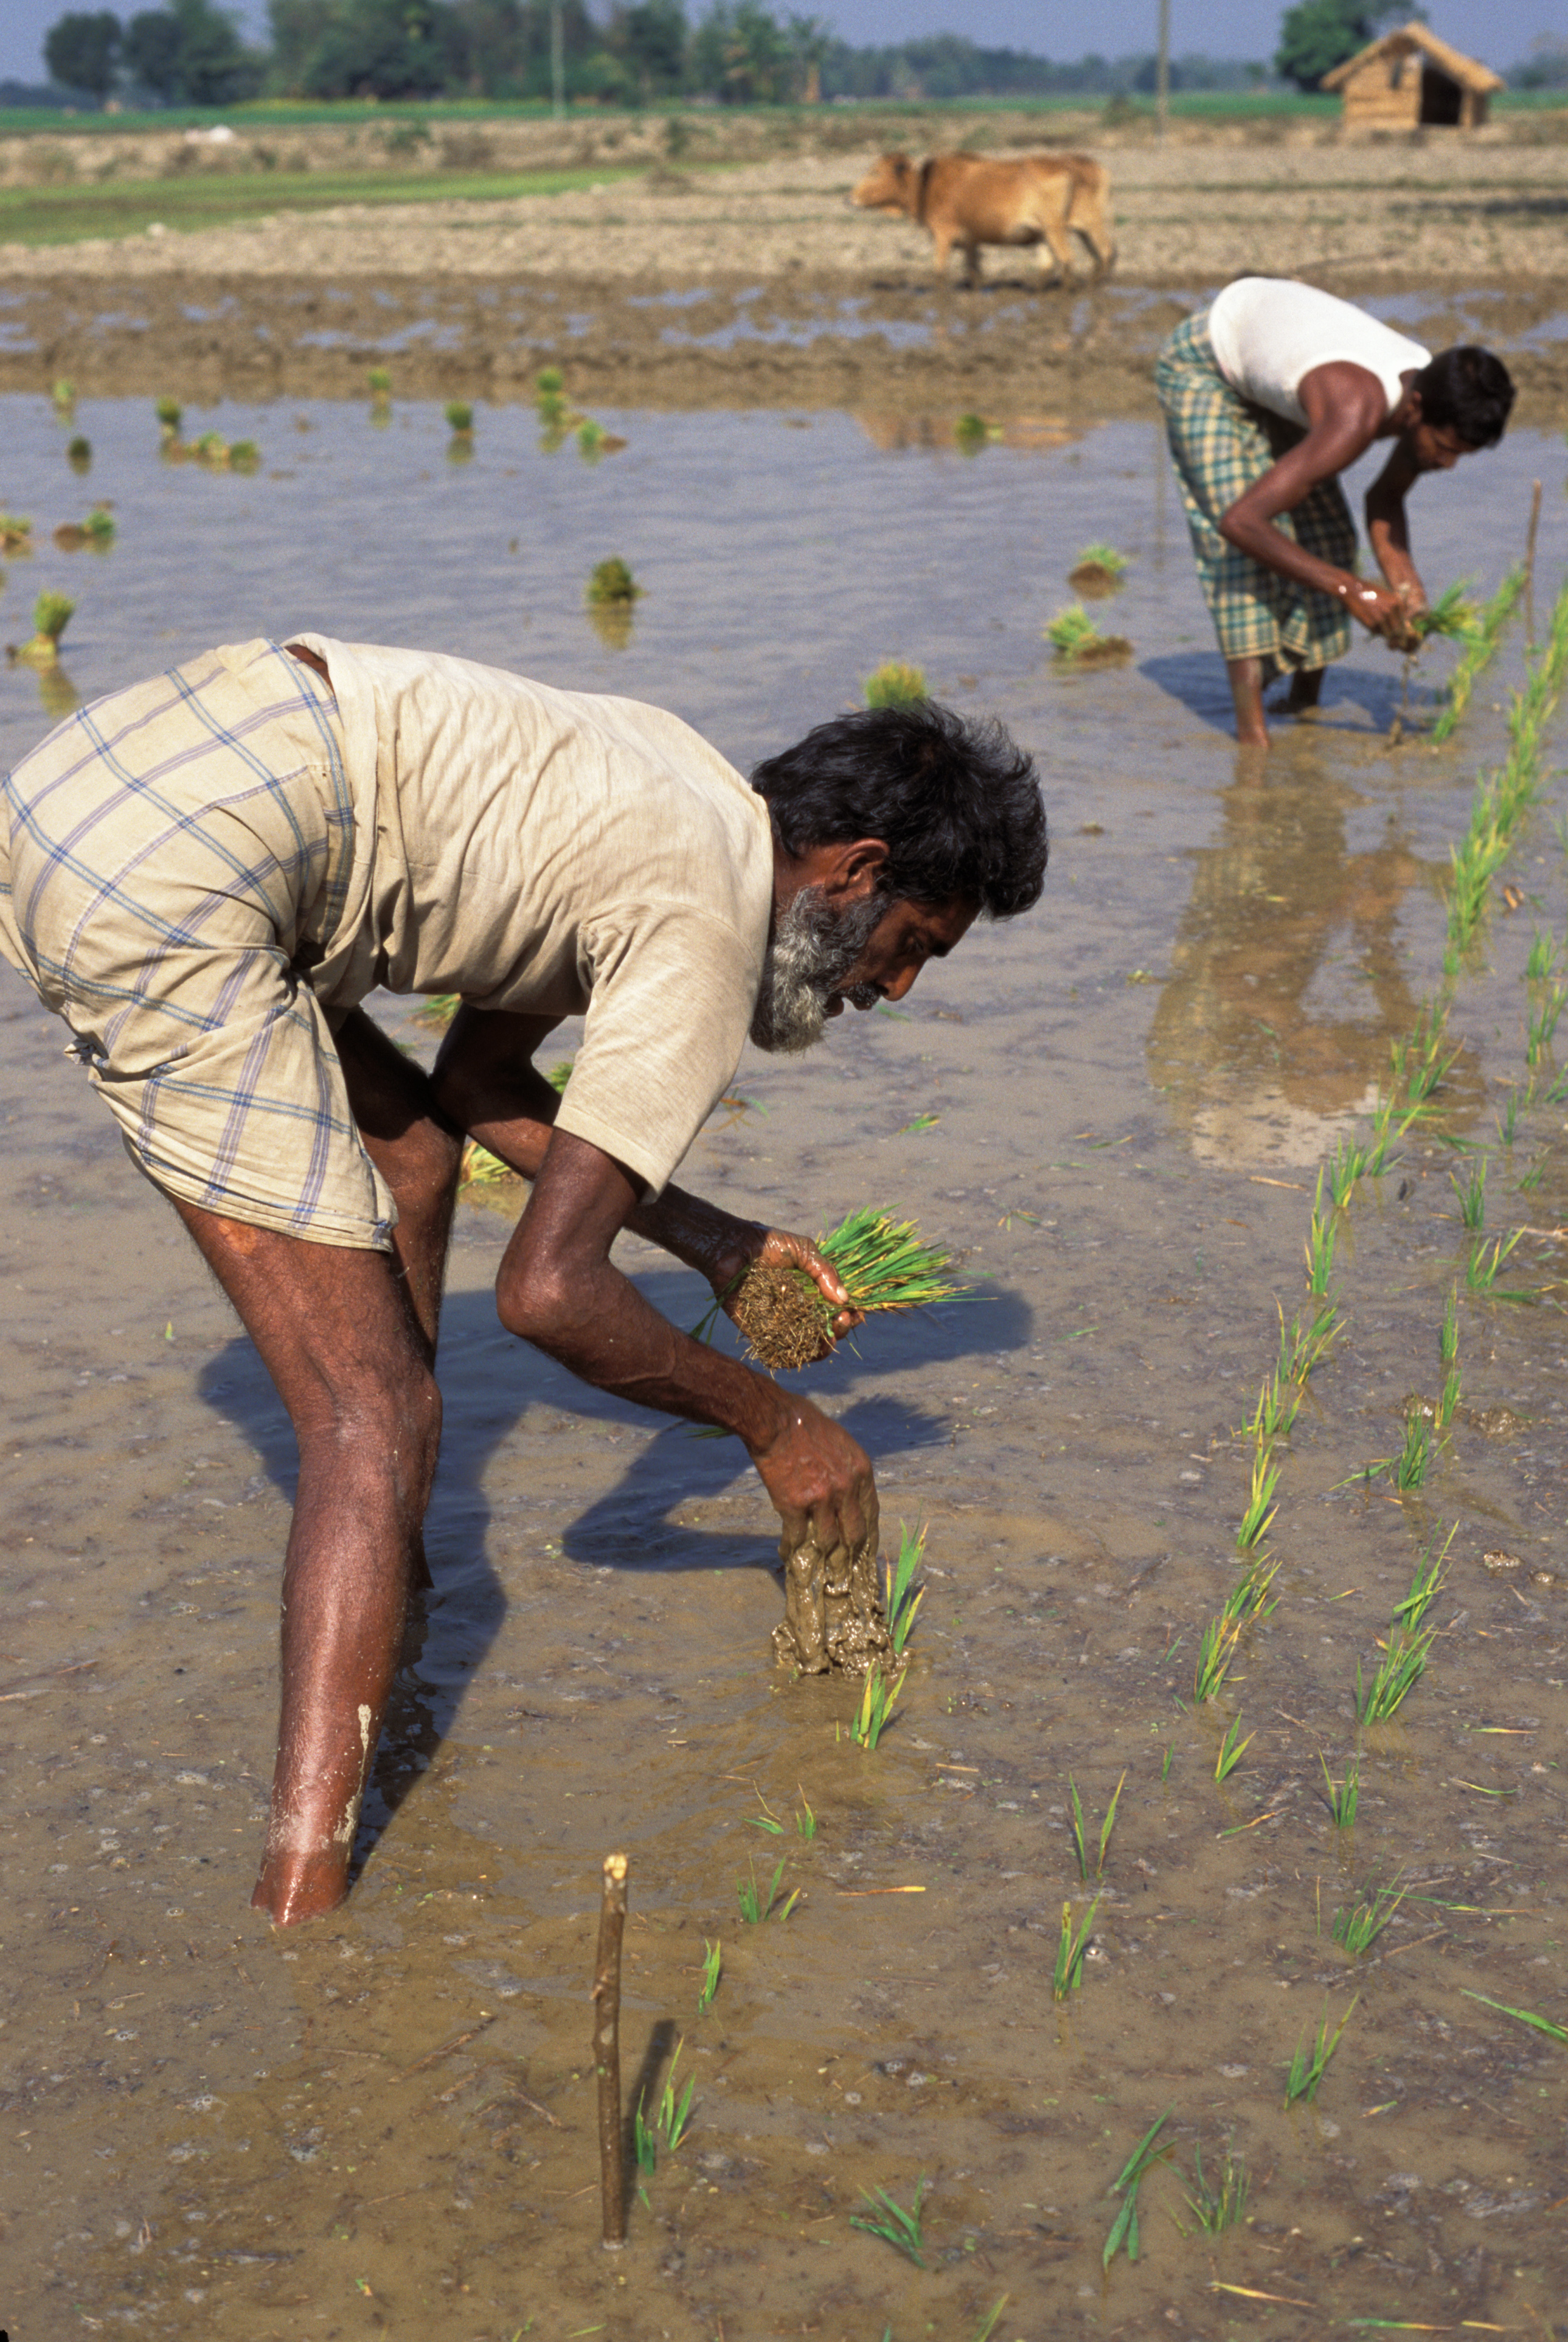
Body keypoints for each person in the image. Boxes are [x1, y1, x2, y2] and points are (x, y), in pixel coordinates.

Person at [0, 636, 1048, 1926]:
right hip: (177, 871)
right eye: (909, 946)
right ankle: (302, 1909)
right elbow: (546, 1292)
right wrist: (779, 1427)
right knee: (369, 1417)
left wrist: (714, 1240)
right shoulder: (708, 930)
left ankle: (397, 1582)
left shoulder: (682, 786)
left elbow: (475, 1088)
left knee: (410, 1153)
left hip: (118, 770)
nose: (888, 986)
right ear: (854, 873)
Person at [1155, 276, 1515, 747]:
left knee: (1329, 539)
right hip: (1209, 365)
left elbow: (1384, 500)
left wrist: (1408, 592)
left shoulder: (1430, 393)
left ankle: (1302, 703)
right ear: (1417, 409)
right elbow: (1241, 522)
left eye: (1461, 456)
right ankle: (1253, 746)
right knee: (1245, 557)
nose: (1446, 464)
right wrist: (1352, 589)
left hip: (1281, 371)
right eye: (1445, 448)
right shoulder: (1356, 412)